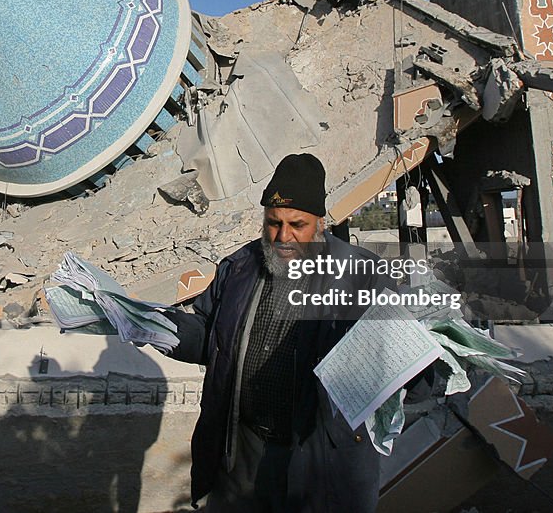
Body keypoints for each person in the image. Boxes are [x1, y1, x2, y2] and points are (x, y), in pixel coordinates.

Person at [168, 153, 422, 512]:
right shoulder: (239, 268)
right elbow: (210, 338)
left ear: (321, 223)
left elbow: (403, 368)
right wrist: (158, 327)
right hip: (244, 454)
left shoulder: (362, 275)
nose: (283, 236)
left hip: (318, 462)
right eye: (273, 223)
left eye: (297, 224)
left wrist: (424, 360)